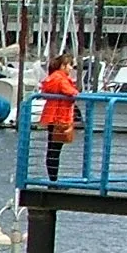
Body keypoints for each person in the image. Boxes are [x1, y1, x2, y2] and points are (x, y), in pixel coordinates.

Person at [39, 53, 79, 182]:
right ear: (63, 66)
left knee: (52, 149)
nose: (71, 69)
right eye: (69, 65)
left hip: (51, 116)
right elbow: (71, 92)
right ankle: (53, 180)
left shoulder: (52, 78)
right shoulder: (61, 79)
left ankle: (53, 179)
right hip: (60, 117)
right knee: (55, 151)